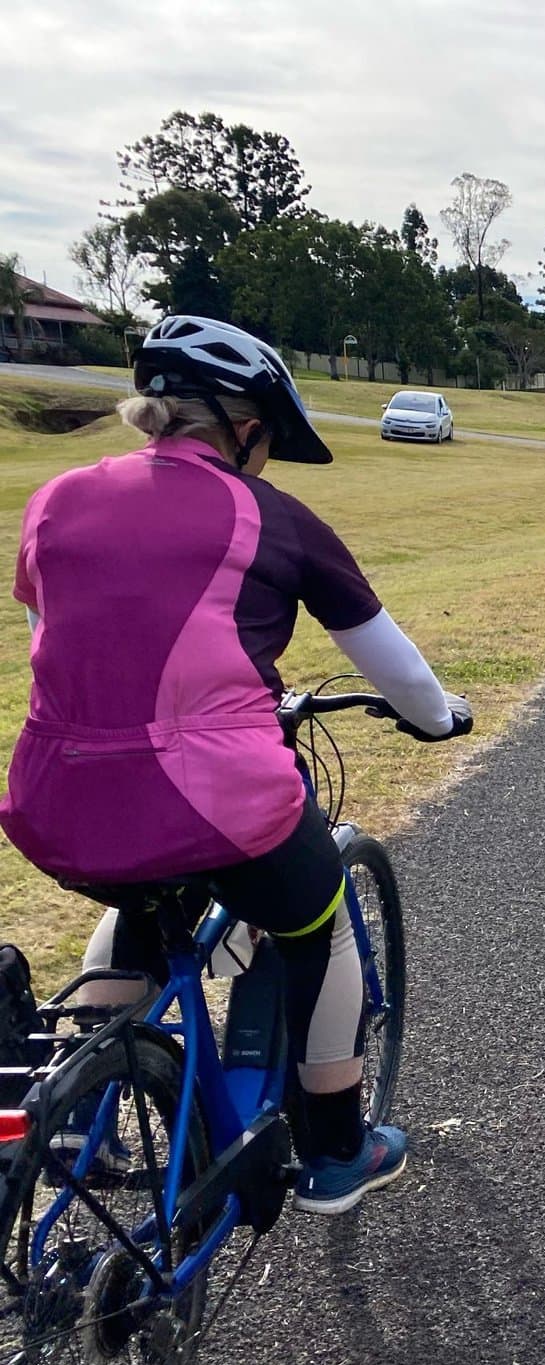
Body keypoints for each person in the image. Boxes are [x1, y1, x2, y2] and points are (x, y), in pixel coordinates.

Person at [1, 315, 472, 1216]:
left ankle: (71, 1106)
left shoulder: (57, 498)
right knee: (320, 919)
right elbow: (398, 669)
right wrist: (438, 720)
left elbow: (54, 643)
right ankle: (338, 1150)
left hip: (56, 799)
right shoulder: (273, 517)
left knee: (138, 910)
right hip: (217, 799)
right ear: (245, 426)